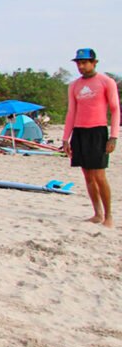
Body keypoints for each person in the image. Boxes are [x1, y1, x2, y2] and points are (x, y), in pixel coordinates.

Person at [63, 48, 119, 228]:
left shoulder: (106, 82)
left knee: (99, 175)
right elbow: (71, 112)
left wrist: (113, 136)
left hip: (98, 131)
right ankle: (97, 213)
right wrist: (66, 138)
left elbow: (115, 109)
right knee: (87, 176)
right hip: (80, 132)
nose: (82, 66)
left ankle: (108, 215)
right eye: (79, 63)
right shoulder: (74, 85)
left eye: (85, 62)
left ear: (94, 62)